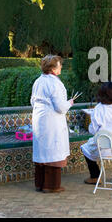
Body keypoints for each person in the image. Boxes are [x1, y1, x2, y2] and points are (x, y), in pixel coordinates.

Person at [31, 55, 74, 193]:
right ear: (54, 69)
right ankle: (51, 185)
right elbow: (60, 107)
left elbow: (32, 101)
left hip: (39, 118)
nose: (61, 67)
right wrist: (70, 103)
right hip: (52, 121)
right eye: (59, 65)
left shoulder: (38, 81)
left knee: (42, 151)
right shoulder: (55, 83)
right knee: (53, 152)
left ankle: (40, 184)